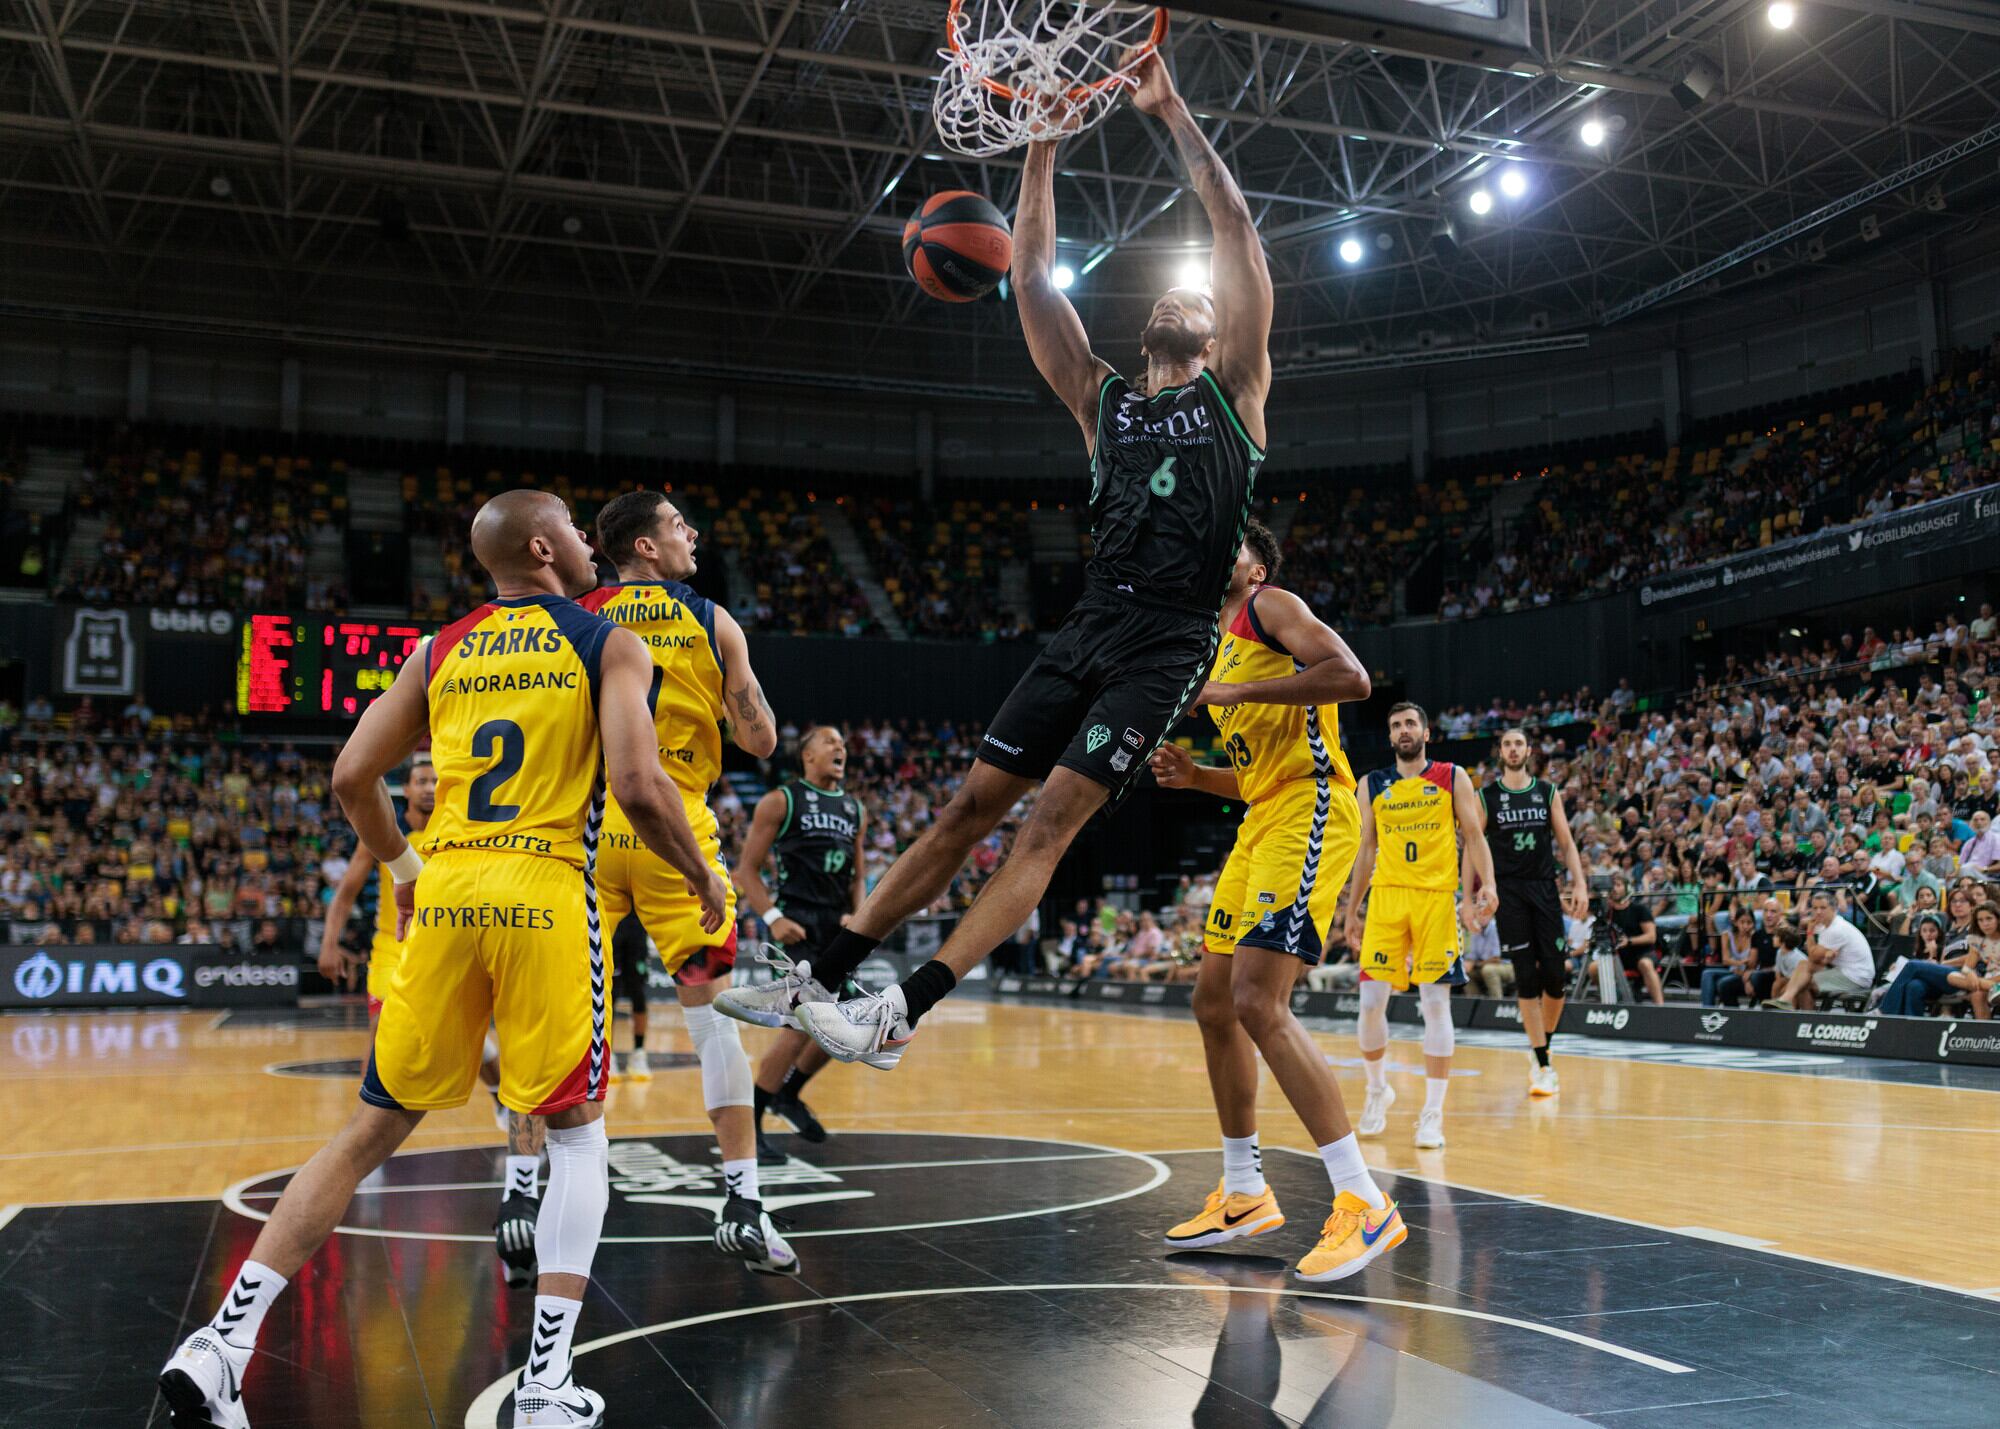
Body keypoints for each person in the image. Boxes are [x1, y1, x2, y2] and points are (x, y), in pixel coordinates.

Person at [725, 53, 1274, 1071]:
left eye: (1188, 302)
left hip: (1165, 642)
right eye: (1161, 299)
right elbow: (1027, 273)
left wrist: (1167, 110)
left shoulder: (1233, 393)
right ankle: (827, 976)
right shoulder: (1100, 401)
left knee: (1047, 827)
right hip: (1088, 623)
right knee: (964, 809)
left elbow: (1234, 228)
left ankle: (903, 1008)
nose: (1173, 302)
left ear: (1211, 332)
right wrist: (1042, 144)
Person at [158, 490, 728, 1429]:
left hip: (451, 892)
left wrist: (406, 864)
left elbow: (350, 776)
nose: (590, 544)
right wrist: (699, 873)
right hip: (545, 889)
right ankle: (546, 1385)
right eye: (577, 533)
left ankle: (221, 1343)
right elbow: (637, 780)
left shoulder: (440, 648)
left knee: (369, 1130)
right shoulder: (606, 641)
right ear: (545, 550)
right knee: (579, 1132)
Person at [1147, 522, 1401, 1282]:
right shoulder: (1212, 642)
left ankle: (1363, 1200)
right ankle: (1244, 1188)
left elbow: (1352, 677)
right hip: (1263, 814)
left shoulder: (1270, 607)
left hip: (1314, 805)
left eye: (1230, 542)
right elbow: (1256, 775)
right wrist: (1198, 778)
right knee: (1213, 999)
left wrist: (1236, 690)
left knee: (1260, 1000)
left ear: (1255, 566)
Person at [577, 489, 797, 1275]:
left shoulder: (580, 613)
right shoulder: (713, 619)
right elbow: (761, 736)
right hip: (681, 832)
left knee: (565, 1021)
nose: (692, 533)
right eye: (677, 525)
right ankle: (742, 1202)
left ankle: (528, 1194)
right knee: (713, 1023)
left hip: (588, 832)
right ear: (643, 546)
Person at [1345, 702, 1497, 1151]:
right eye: (1396, 726)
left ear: (1426, 732)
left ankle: (1432, 1114)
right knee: (1371, 1001)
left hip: (1434, 900)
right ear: (1390, 737)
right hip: (1386, 899)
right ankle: (1377, 1090)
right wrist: (1352, 909)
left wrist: (1485, 884)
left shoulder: (1452, 776)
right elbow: (1365, 849)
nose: (1403, 730)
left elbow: (1474, 836)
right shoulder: (1371, 784)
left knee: (1435, 1003)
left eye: (1411, 723)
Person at [732, 725, 873, 1164]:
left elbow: (858, 873)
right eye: (830, 742)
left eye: (844, 744)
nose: (840, 747)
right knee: (799, 1026)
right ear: (807, 755)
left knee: (856, 1029)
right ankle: (749, 1130)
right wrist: (773, 918)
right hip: (799, 925)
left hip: (840, 929)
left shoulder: (855, 810)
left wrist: (861, 915)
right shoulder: (782, 800)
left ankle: (788, 1095)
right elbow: (747, 871)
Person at [1479, 728, 1588, 1097]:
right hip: (1509, 893)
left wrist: (1580, 884)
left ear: (1529, 751)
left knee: (1555, 975)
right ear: (1501, 751)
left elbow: (1567, 843)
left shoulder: (1547, 792)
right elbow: (1472, 848)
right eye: (1507, 744)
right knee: (1526, 977)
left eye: (1518, 744)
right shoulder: (1487, 796)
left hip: (1544, 889)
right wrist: (1471, 894)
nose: (1513, 749)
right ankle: (1543, 1062)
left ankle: (1544, 1043)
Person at [1763, 890, 1877, 1010]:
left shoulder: (1836, 929)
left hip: (1856, 977)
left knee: (1804, 982)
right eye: (1814, 908)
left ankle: (1792, 1006)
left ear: (1834, 909)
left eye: (1823, 908)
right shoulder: (1826, 925)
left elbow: (1813, 957)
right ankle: (1788, 1003)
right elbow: (1814, 957)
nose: (1818, 912)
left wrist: (1810, 931)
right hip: (1843, 971)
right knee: (1803, 966)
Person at [1876, 915, 1964, 1017]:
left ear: (1939, 932)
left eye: (1932, 931)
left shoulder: (1941, 946)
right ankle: (1911, 1022)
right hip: (1921, 984)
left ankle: (1885, 1010)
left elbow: (1939, 967)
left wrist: (1933, 954)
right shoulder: (1917, 950)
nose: (1928, 934)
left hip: (1939, 983)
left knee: (1912, 965)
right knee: (1914, 986)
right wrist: (1898, 967)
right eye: (1924, 931)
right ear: (1920, 933)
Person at [1605, 874, 1665, 1004]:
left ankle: (1660, 1007)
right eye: (1612, 886)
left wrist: (1629, 941)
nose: (1614, 889)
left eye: (1618, 885)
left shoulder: (1639, 909)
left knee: (1646, 964)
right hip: (1618, 955)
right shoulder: (1606, 912)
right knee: (1594, 968)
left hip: (1643, 952)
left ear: (1627, 888)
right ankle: (1611, 1003)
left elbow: (1651, 937)